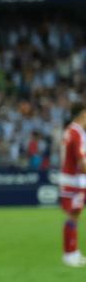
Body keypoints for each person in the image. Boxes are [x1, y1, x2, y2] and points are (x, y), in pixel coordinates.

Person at [58, 103, 86, 267]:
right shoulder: (76, 133)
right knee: (73, 216)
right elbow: (81, 163)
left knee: (74, 215)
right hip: (74, 181)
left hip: (72, 180)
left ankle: (73, 252)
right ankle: (70, 254)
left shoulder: (71, 131)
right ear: (80, 115)